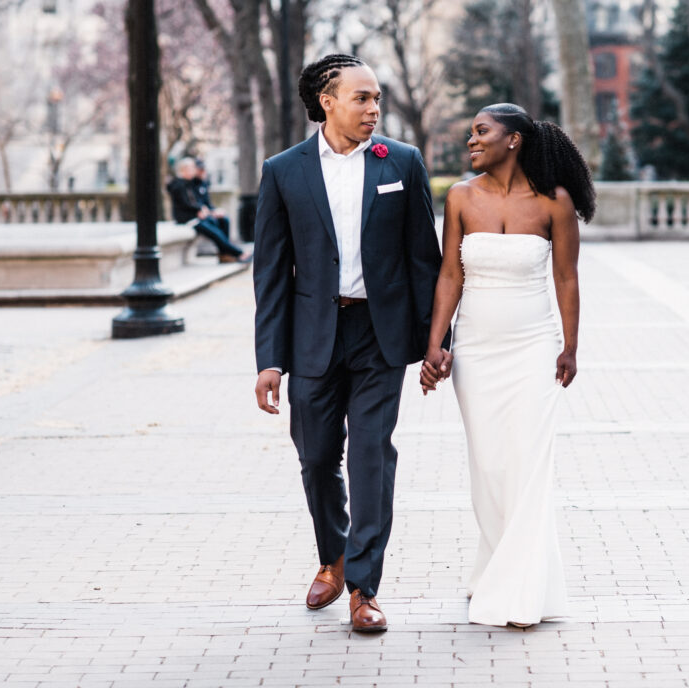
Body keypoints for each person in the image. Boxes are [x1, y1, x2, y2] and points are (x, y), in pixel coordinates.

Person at [252, 54, 444, 632]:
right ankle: (330, 558)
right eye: (361, 98)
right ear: (327, 102)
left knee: (370, 455)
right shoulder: (283, 170)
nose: (374, 108)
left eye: (376, 97)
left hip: (379, 336)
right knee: (316, 459)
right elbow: (271, 273)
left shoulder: (402, 163)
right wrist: (270, 361)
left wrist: (437, 343)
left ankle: (363, 586)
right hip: (312, 335)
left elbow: (424, 263)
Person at [419, 102, 596, 628]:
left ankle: (520, 591)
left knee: (527, 463)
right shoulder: (460, 197)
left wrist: (570, 346)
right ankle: (497, 563)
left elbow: (566, 278)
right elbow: (450, 274)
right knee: (489, 465)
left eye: (481, 131)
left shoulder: (553, 203)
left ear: (514, 139)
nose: (470, 141)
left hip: (534, 349)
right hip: (475, 349)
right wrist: (436, 344)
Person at [165, 157, 251, 263]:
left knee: (222, 221)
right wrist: (200, 210)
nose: (194, 170)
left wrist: (209, 210)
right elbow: (186, 203)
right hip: (189, 219)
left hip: (196, 216)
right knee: (215, 233)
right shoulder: (179, 184)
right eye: (192, 168)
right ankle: (239, 253)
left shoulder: (190, 183)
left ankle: (225, 254)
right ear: (185, 169)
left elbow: (199, 201)